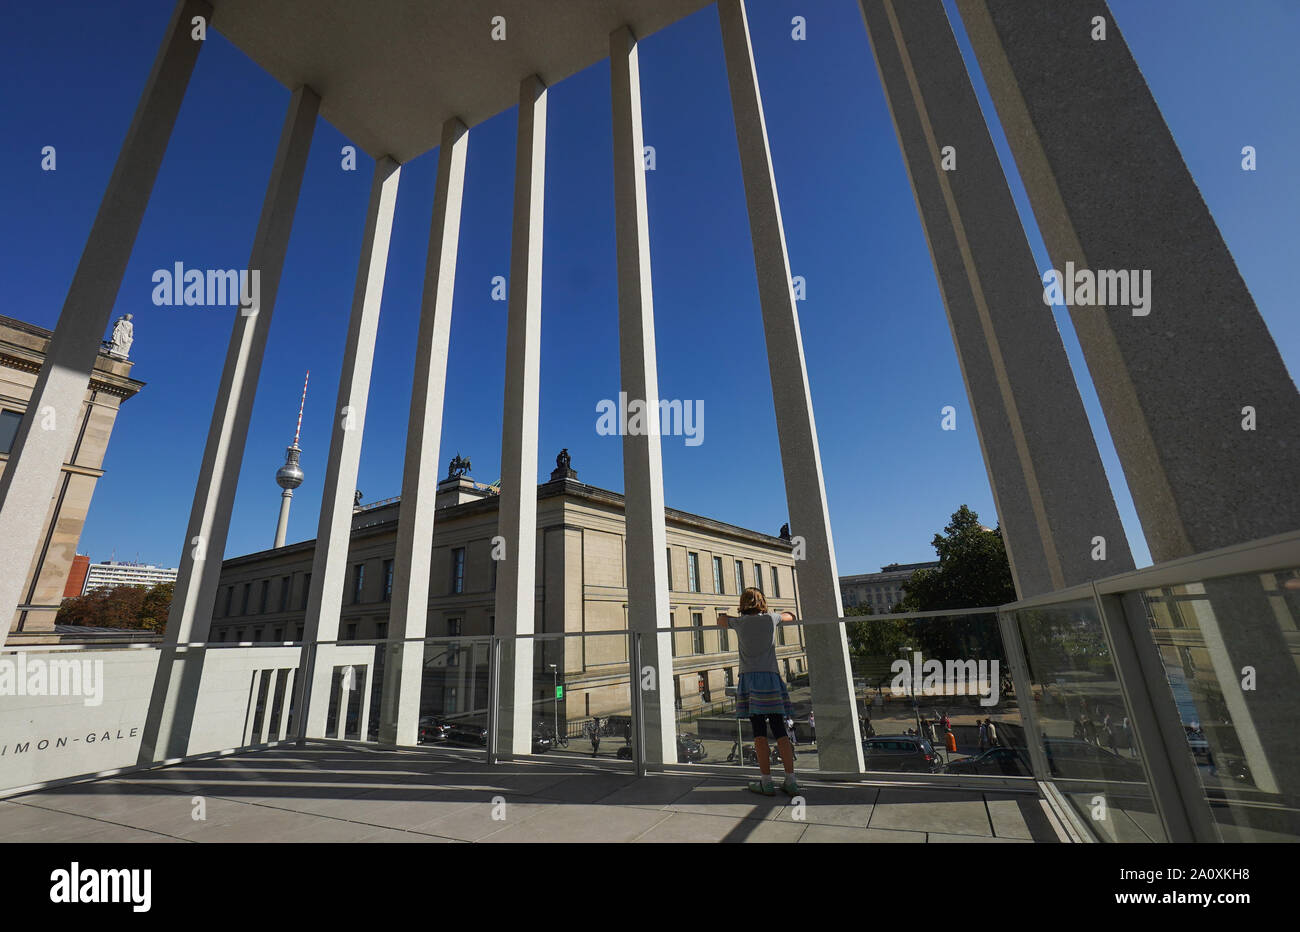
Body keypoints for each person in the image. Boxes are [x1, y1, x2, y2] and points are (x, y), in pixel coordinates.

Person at [718, 588, 799, 796]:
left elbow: (721, 620)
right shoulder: (771, 619)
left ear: (743, 603)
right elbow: (791, 616)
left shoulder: (739, 623)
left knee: (759, 733)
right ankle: (790, 780)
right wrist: (782, 613)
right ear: (762, 602)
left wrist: (732, 616)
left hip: (750, 680)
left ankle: (766, 781)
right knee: (780, 730)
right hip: (770, 678)